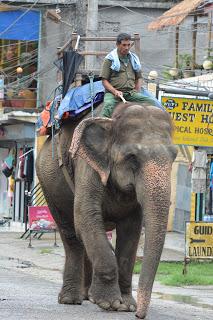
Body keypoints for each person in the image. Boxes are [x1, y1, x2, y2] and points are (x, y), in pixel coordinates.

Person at [100, 33, 158, 118]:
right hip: (113, 93)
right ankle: (102, 129)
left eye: (128, 45)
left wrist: (136, 91)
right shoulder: (109, 60)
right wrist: (115, 91)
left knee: (151, 102)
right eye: (124, 45)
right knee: (108, 106)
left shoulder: (134, 59)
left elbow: (139, 78)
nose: (126, 48)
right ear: (117, 44)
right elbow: (104, 81)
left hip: (130, 93)